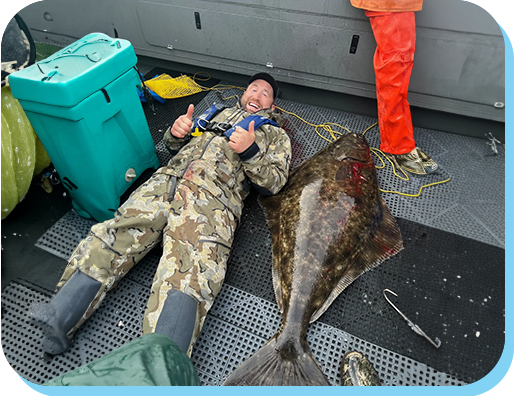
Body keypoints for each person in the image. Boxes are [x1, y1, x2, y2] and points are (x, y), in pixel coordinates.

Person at [31, 72, 291, 358]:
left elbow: (274, 183)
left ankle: (157, 366)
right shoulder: (215, 111)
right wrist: (176, 132)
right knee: (114, 234)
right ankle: (59, 317)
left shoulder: (274, 134)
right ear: (243, 94)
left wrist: (250, 151)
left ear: (272, 106)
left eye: (265, 93)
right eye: (253, 89)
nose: (256, 95)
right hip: (165, 181)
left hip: (211, 200)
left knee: (190, 270)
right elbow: (174, 146)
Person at [350, 0, 438, 175]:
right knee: (395, 69)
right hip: (390, 3)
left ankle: (397, 142)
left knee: (397, 67)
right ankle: (398, 145)